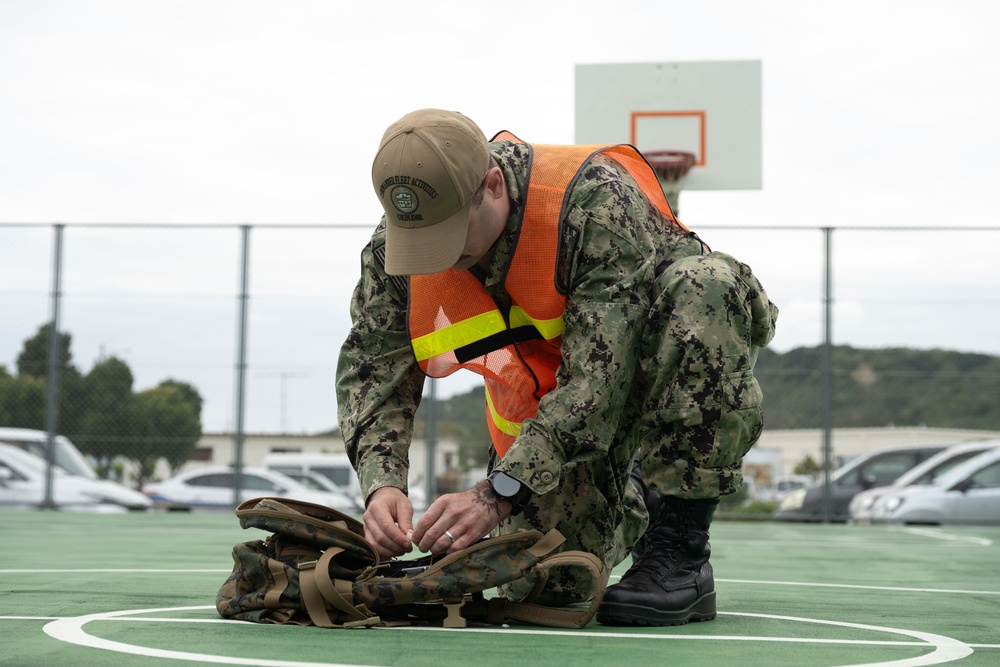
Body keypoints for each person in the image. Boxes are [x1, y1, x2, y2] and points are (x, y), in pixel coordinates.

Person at [336, 108, 778, 626]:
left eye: (452, 233)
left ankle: (679, 550)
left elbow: (598, 382)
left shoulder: (594, 203)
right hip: (551, 426)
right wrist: (383, 485)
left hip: (633, 382)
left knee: (704, 284)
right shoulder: (397, 248)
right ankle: (630, 490)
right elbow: (372, 371)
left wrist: (495, 494)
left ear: (493, 184)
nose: (438, 257)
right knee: (553, 582)